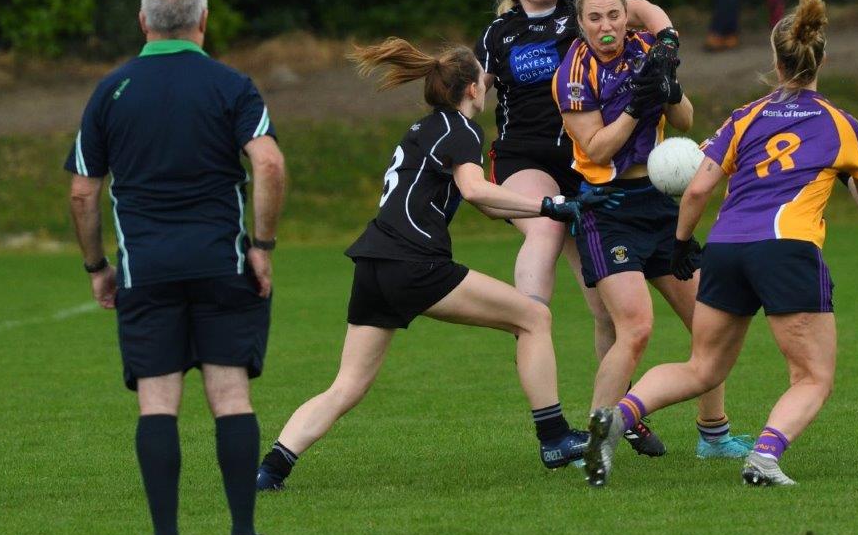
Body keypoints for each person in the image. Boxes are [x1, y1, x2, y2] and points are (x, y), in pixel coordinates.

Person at [255, 38, 621, 491]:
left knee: (347, 386)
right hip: (414, 262)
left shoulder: (425, 128)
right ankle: (554, 437)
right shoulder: (461, 130)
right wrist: (554, 203)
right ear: (471, 90)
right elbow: (475, 191)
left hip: (373, 263)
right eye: (482, 82)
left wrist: (559, 207)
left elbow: (488, 205)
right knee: (533, 317)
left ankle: (271, 468)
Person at [583, 0, 858, 487]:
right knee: (812, 375)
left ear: (775, 59)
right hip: (786, 248)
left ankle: (616, 416)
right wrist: (851, 176)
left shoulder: (745, 116)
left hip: (725, 248)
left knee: (702, 366)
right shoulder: (840, 123)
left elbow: (699, 186)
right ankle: (764, 458)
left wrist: (681, 244)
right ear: (821, 59)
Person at [65, 0, 283, 535]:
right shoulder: (231, 85)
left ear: (143, 22)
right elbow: (267, 165)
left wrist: (96, 265)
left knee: (157, 404)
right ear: (203, 21)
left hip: (147, 270)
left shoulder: (111, 89)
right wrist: (260, 246)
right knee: (231, 397)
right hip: (221, 264)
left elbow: (83, 193)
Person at [476, 0, 677, 456]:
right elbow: (471, 92)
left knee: (607, 314)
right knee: (545, 224)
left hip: (583, 162)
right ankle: (528, 317)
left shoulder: (583, 8)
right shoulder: (499, 33)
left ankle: (617, 413)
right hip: (525, 158)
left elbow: (649, 11)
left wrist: (668, 42)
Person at [552, 0, 755, 460]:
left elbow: (684, 120)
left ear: (627, 17)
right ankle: (597, 439)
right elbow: (597, 150)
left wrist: (669, 89)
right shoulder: (573, 74)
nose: (606, 26)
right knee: (636, 329)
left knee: (711, 322)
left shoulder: (646, 50)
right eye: (594, 17)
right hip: (609, 209)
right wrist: (635, 107)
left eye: (614, 16)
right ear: (580, 23)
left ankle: (714, 435)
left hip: (661, 206)